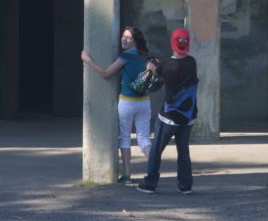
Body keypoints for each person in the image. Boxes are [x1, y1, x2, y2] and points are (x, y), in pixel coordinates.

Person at [81, 25, 152, 185]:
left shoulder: (125, 57)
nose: (124, 39)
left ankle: (127, 176)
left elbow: (106, 74)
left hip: (127, 103)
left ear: (135, 41)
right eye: (123, 36)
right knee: (144, 139)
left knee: (125, 138)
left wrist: (88, 60)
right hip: (144, 103)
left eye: (128, 38)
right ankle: (153, 170)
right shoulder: (145, 56)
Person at [137, 26, 199, 195]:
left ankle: (150, 183)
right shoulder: (191, 62)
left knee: (156, 149)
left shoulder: (166, 65)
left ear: (172, 44)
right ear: (187, 45)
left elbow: (156, 72)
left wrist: (151, 66)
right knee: (183, 150)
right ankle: (185, 185)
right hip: (188, 117)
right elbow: (171, 67)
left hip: (168, 118)